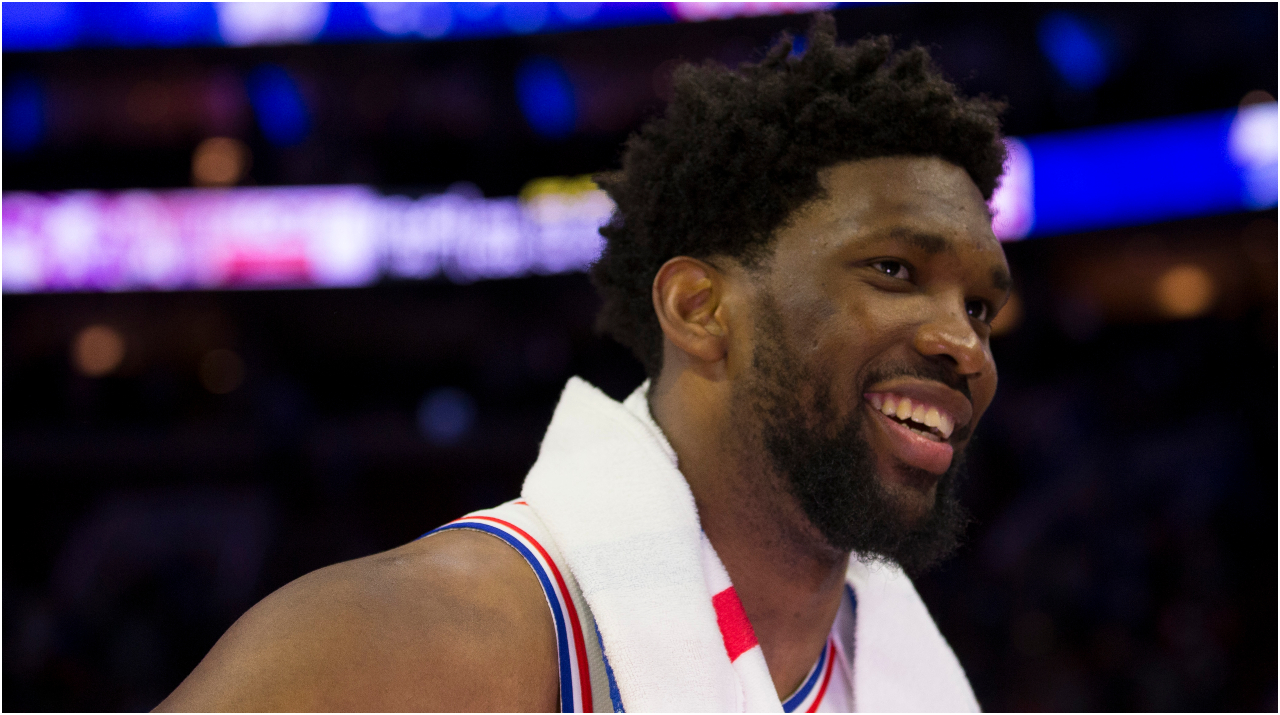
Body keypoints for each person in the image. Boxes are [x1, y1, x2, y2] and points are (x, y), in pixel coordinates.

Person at [156, 14, 1011, 713]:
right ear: (698, 309)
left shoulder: (900, 670)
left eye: (980, 305)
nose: (965, 344)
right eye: (894, 271)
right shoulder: (413, 640)